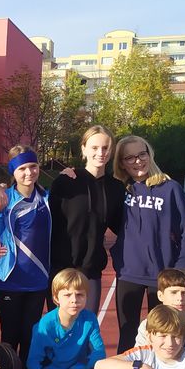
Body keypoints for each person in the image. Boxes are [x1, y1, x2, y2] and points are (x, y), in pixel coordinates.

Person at [111, 135, 185, 353]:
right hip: (129, 273)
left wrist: (182, 270)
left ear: (149, 154)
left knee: (164, 335)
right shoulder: (119, 189)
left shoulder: (171, 189)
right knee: (128, 334)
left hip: (162, 276)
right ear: (121, 163)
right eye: (129, 157)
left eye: (142, 154)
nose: (137, 161)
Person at [0, 145, 53, 369]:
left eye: (33, 166)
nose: (29, 173)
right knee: (9, 337)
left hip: (38, 281)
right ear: (13, 172)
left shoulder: (47, 198)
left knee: (31, 339)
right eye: (22, 169)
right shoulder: (4, 199)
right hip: (10, 280)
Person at [49, 125, 125, 313]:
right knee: (60, 328)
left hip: (91, 272)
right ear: (83, 149)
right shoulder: (65, 181)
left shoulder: (116, 188)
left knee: (87, 328)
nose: (101, 153)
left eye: (105, 148)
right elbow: (46, 219)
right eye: (94, 147)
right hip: (61, 270)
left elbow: (122, 226)